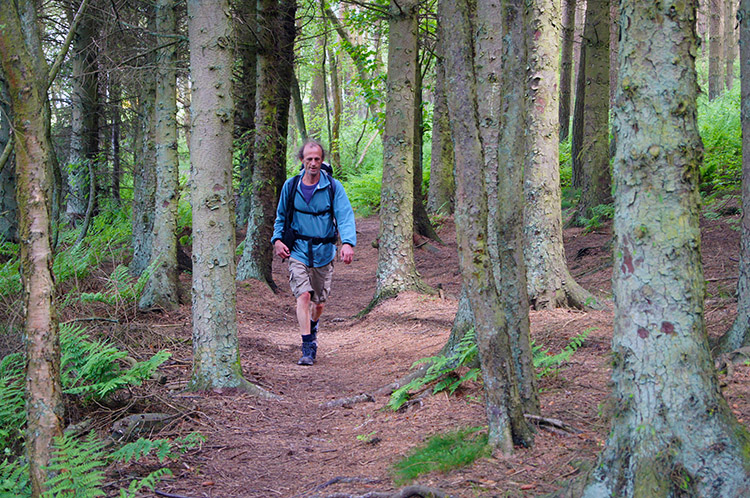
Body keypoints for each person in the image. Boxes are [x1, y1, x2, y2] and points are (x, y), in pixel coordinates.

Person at [271, 139, 356, 365]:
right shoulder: (290, 186)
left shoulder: (333, 187)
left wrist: (347, 243)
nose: (313, 163)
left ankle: (314, 325)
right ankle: (307, 346)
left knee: (318, 303)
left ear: (322, 160)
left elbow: (345, 216)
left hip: (324, 252)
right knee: (303, 295)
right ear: (302, 160)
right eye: (309, 159)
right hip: (298, 250)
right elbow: (280, 217)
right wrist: (277, 241)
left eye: (317, 159)